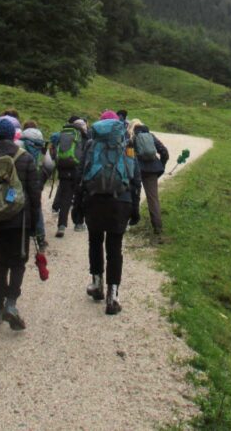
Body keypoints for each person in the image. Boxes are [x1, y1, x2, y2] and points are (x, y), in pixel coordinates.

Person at [0, 117, 42, 330]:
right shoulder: (25, 158)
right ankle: (11, 304)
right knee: (18, 262)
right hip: (20, 219)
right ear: (12, 135)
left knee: (0, 262)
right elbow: (34, 194)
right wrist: (36, 224)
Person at [80, 111, 141, 315]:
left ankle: (96, 283)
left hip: (94, 199)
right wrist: (135, 208)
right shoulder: (128, 145)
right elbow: (135, 178)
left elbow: (81, 175)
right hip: (120, 200)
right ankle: (112, 296)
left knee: (94, 241)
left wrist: (78, 206)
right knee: (115, 248)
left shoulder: (90, 145)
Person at [51, 116, 87, 237]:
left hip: (63, 169)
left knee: (65, 199)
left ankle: (61, 226)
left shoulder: (62, 134)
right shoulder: (83, 136)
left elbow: (53, 151)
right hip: (78, 170)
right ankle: (78, 223)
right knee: (79, 197)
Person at [131, 122, 170, 236]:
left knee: (133, 196)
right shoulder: (151, 136)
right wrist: (161, 166)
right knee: (153, 199)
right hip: (152, 170)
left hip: (136, 170)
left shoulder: (132, 138)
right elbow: (164, 152)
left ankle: (133, 220)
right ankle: (157, 227)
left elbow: (128, 156)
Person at [20, 126, 52, 249]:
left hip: (21, 181)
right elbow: (49, 165)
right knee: (36, 205)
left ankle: (21, 235)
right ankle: (40, 237)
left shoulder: (20, 146)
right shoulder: (42, 149)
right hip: (37, 179)